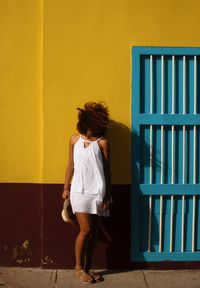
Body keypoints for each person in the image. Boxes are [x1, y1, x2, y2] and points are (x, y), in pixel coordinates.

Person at [62, 102, 112, 284]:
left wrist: (107, 195)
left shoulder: (103, 143)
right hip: (79, 190)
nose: (93, 130)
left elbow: (107, 171)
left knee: (95, 232)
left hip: (98, 191)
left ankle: (89, 267)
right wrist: (66, 188)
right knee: (86, 229)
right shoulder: (74, 140)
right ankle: (78, 267)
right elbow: (70, 164)